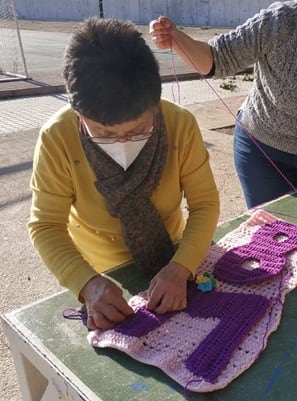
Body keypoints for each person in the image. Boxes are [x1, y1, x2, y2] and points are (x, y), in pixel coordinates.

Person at [28, 17, 220, 330]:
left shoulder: (180, 124)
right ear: (78, 111)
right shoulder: (57, 137)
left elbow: (204, 203)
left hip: (173, 251)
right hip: (99, 270)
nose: (122, 142)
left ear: (155, 102)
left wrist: (181, 266)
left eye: (140, 129)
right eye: (102, 132)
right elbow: (46, 225)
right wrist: (88, 284)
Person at [149, 0, 297, 218]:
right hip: (261, 151)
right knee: (274, 230)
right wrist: (177, 39)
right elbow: (218, 59)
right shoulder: (279, 22)